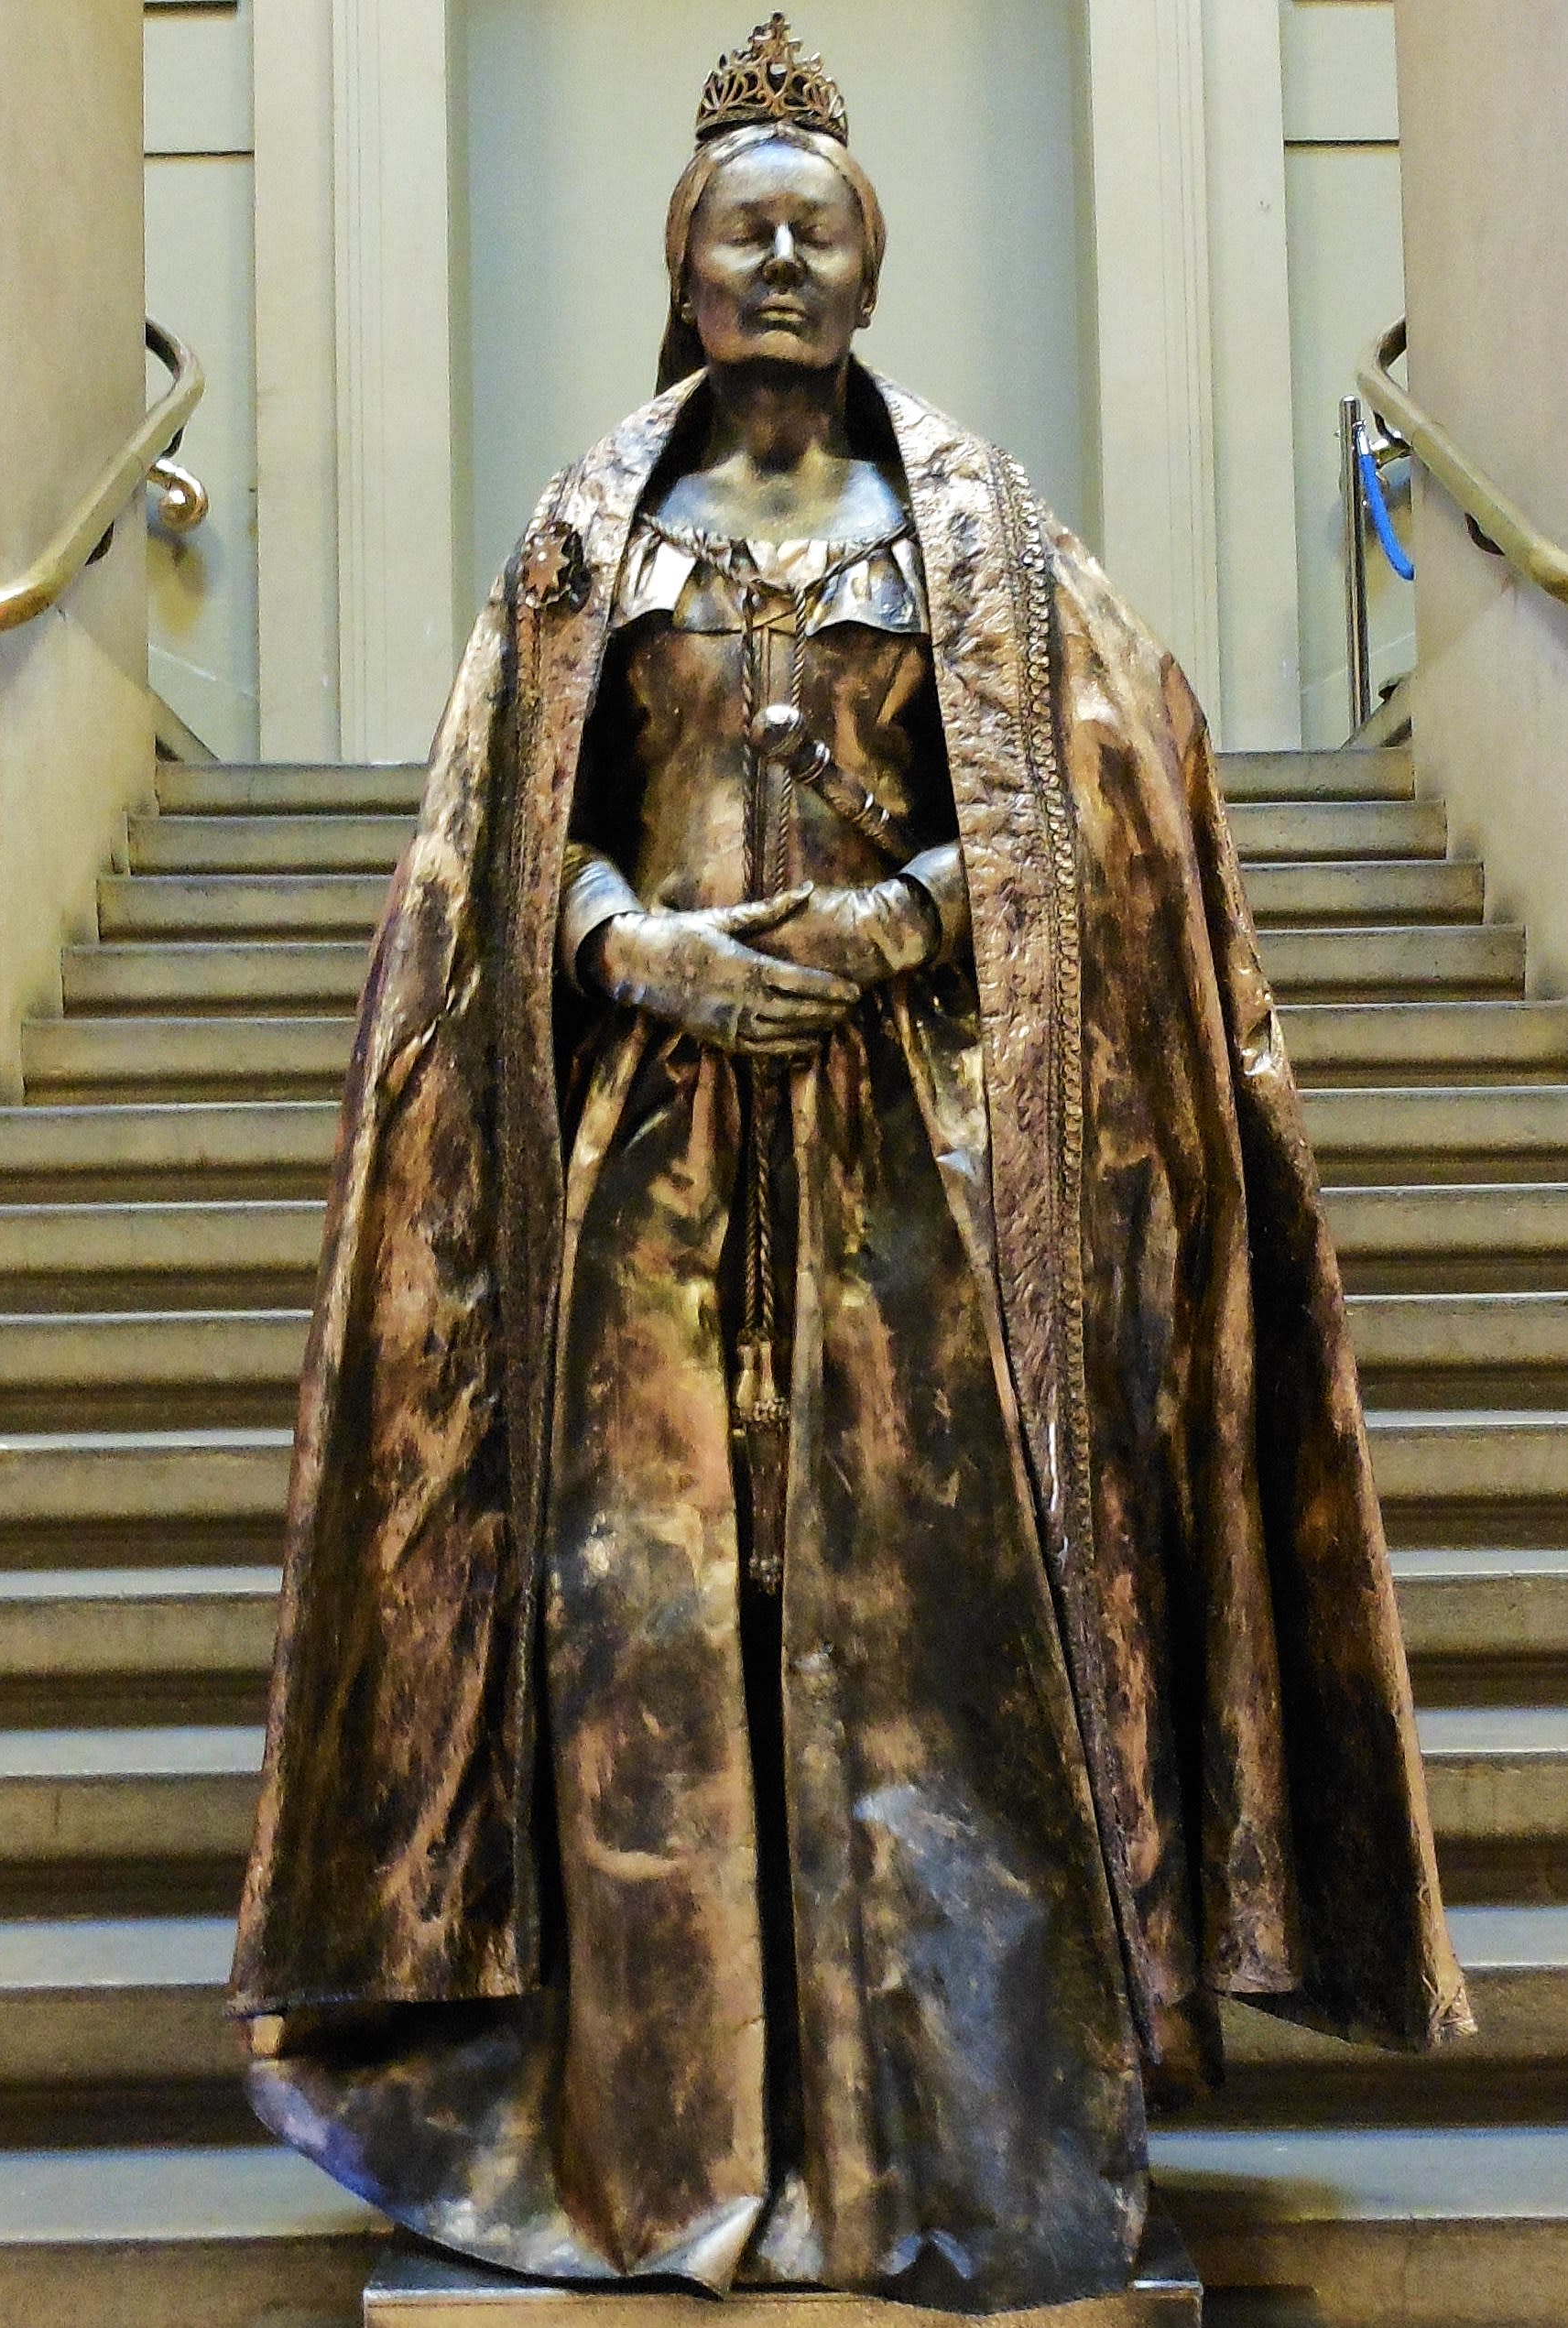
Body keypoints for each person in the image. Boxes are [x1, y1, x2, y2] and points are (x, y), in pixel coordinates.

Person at [230, 17, 1470, 2313]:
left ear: (867, 270)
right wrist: (636, 943)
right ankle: (665, 2133)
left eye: (815, 228)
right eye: (742, 230)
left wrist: (904, 914)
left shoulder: (984, 538)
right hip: (644, 1178)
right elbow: (491, 837)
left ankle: (932, 2140)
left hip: (922, 1182)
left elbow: (1113, 805)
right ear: (683, 272)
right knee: (640, 1635)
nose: (780, 260)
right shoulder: (587, 540)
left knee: (921, 1652)